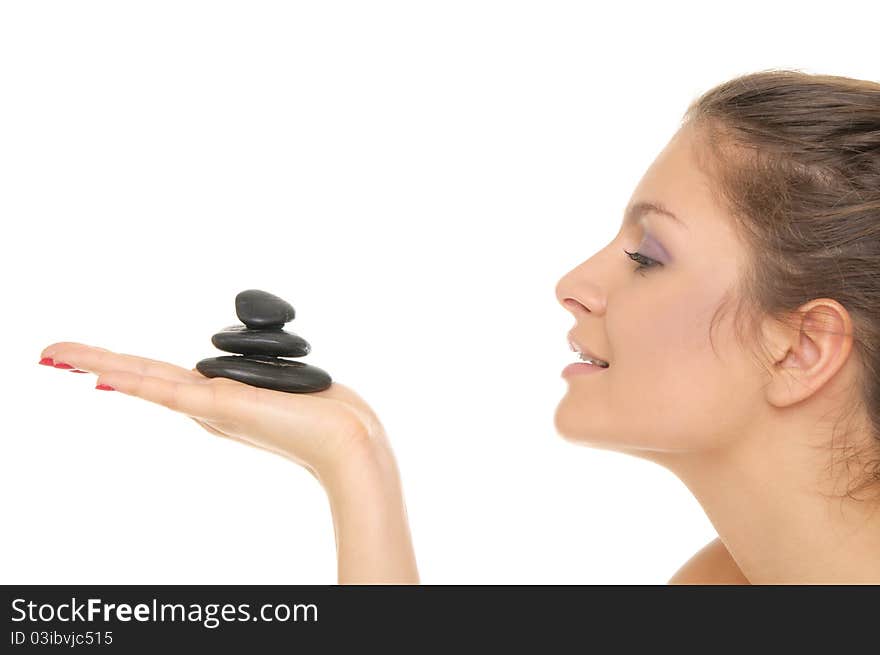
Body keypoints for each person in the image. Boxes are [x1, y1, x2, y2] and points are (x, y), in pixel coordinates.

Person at [39, 68, 880, 584]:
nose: (574, 284)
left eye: (647, 255)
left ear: (802, 349)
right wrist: (353, 453)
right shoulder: (729, 586)